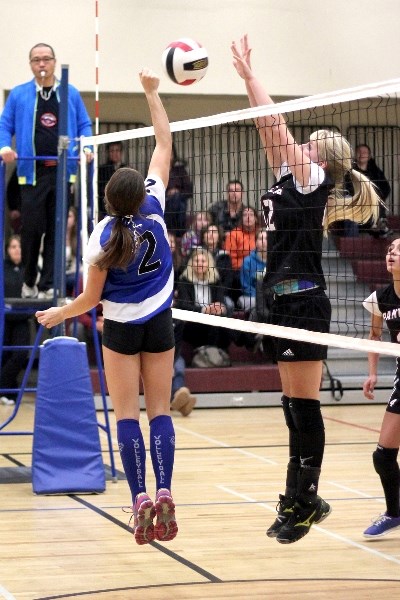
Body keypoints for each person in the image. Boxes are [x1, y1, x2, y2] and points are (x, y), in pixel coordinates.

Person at [231, 34, 380, 544]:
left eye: (309, 140)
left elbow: (275, 125)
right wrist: (248, 88)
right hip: (280, 297)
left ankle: (307, 497)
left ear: (321, 155)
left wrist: (253, 80)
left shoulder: (313, 176)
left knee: (304, 406)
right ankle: (296, 498)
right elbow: (265, 127)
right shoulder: (288, 178)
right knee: (292, 406)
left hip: (303, 300)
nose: (300, 143)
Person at [36, 68, 178, 546]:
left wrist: (59, 314)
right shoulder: (155, 209)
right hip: (160, 322)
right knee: (160, 411)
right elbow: (164, 143)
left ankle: (139, 498)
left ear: (109, 199)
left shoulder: (102, 234)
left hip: (120, 330)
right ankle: (165, 489)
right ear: (142, 195)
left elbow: (91, 299)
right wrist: (151, 92)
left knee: (126, 417)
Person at [0, 43, 93, 300]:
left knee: (57, 230)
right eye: (36, 60)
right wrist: (5, 147)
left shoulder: (69, 93)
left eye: (46, 59)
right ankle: (29, 280)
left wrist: (88, 147)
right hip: (31, 173)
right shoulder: (19, 95)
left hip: (63, 174)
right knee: (31, 229)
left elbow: (84, 124)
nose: (42, 64)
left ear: (54, 62)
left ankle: (48, 285)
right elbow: (4, 125)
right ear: (31, 65)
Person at [361, 238, 400, 539]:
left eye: (398, 251)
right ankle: (394, 513)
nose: (392, 254)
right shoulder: (381, 298)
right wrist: (372, 373)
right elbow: (374, 337)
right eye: (389, 250)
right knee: (383, 455)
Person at [176, 247, 231, 354]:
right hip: (192, 322)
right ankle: (215, 353)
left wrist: (221, 308)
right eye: (196, 261)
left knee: (220, 319)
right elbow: (183, 305)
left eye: (203, 261)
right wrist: (204, 309)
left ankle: (213, 353)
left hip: (212, 319)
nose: (200, 264)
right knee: (216, 324)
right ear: (191, 263)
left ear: (208, 263)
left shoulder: (215, 281)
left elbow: (220, 301)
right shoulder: (184, 281)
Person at [0, 235, 31, 406]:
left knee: (20, 354)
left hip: (22, 319)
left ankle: (2, 387)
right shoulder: (2, 268)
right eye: (12, 246)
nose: (16, 249)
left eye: (19, 246)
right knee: (3, 354)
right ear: (7, 250)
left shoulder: (30, 269)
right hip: (4, 319)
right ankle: (9, 392)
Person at [353, 144, 391, 238]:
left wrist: (377, 195)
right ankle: (380, 226)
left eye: (364, 152)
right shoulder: (351, 171)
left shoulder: (376, 171)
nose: (362, 154)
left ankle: (378, 225)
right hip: (357, 202)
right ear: (355, 155)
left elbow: (386, 187)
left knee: (376, 199)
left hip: (374, 202)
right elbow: (348, 188)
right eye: (359, 152)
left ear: (369, 156)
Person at [201, 223, 235, 315]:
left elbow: (228, 281)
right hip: (199, 290)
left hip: (220, 294)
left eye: (214, 232)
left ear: (219, 237)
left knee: (229, 304)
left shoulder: (225, 256)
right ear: (203, 236)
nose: (211, 234)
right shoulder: (196, 253)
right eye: (208, 232)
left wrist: (217, 295)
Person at [164, 147, 193, 237]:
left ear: (174, 155)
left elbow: (189, 191)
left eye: (170, 153)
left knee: (177, 201)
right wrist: (167, 193)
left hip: (179, 202)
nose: (168, 155)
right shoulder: (156, 170)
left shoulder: (180, 170)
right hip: (163, 203)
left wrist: (177, 191)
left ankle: (172, 232)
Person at [238, 228, 267, 313]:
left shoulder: (276, 260)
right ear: (256, 242)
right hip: (250, 296)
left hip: (269, 296)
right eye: (260, 239)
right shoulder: (248, 261)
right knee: (258, 305)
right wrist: (261, 297)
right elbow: (246, 286)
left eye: (266, 239)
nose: (264, 242)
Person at [98, 141, 127, 220]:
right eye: (112, 151)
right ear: (108, 153)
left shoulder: (127, 169)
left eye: (117, 150)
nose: (115, 153)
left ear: (121, 152)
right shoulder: (102, 170)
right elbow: (100, 190)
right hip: (106, 209)